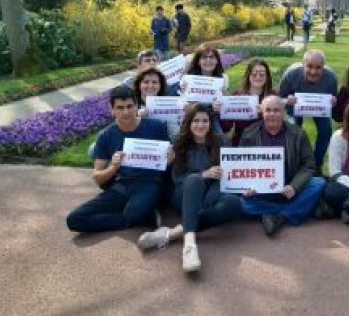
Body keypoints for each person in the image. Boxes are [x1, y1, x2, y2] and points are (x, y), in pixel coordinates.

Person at [137, 104, 241, 272]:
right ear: (188, 122)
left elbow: (227, 175)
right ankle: (189, 247)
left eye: (205, 121)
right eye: (196, 121)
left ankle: (171, 234)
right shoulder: (179, 142)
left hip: (210, 194)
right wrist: (204, 174)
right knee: (194, 179)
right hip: (184, 194)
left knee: (234, 203)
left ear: (210, 122)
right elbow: (178, 179)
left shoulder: (222, 141)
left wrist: (242, 187)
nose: (200, 125)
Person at [66, 86, 172, 233]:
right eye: (120, 108)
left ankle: (136, 214)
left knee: (134, 212)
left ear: (137, 105)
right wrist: (113, 167)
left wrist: (170, 158)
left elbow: (168, 164)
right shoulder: (105, 135)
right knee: (74, 219)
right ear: (112, 109)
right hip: (122, 185)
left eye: (129, 106)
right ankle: (143, 217)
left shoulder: (156, 127)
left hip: (150, 183)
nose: (126, 112)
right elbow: (98, 178)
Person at [239, 95, 326, 236]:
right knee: (237, 203)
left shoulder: (298, 133)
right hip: (261, 191)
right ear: (261, 111)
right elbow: (241, 166)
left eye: (276, 110)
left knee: (318, 182)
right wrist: (248, 186)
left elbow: (309, 164)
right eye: (268, 110)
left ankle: (278, 215)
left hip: (289, 188)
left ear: (283, 112)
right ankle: (292, 210)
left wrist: (294, 186)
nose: (272, 114)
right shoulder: (249, 134)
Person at [279, 50, 338, 172]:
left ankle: (316, 164)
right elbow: (279, 98)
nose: (313, 72)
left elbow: (333, 100)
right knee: (293, 129)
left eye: (318, 68)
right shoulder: (291, 74)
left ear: (323, 67)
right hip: (295, 104)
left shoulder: (331, 77)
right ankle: (295, 163)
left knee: (326, 131)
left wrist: (333, 102)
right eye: (309, 66)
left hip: (319, 107)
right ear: (303, 65)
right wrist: (286, 100)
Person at [220, 58, 277, 145]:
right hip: (241, 144)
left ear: (267, 77)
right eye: (254, 74)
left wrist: (265, 113)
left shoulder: (274, 96)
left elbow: (279, 126)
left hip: (267, 145)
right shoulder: (236, 96)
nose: (258, 77)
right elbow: (226, 128)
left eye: (262, 74)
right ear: (248, 75)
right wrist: (223, 110)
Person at [180, 44, 229, 133]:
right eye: (204, 57)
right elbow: (182, 103)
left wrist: (221, 101)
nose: (208, 60)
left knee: (219, 138)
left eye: (211, 57)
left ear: (217, 61)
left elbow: (224, 106)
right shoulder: (187, 79)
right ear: (198, 61)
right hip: (192, 116)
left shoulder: (223, 78)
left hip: (212, 116)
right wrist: (185, 95)